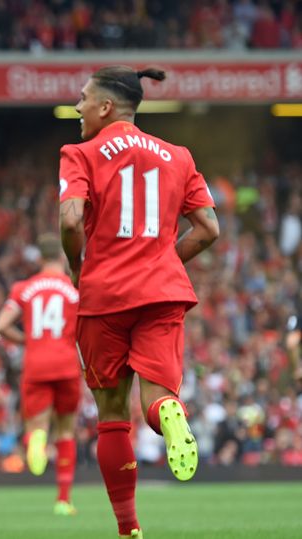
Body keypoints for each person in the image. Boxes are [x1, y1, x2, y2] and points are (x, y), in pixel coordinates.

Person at [59, 65, 220, 538]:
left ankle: (129, 528)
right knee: (159, 395)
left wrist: (76, 267)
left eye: (83, 98)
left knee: (112, 418)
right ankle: (170, 413)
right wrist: (162, 260)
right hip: (163, 292)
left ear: (106, 106)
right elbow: (209, 228)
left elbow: (70, 220)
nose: (77, 106)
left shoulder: (79, 153)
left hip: (104, 295)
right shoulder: (178, 155)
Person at [0, 233, 81, 517]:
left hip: (36, 363)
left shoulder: (25, 288)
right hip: (67, 362)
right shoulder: (74, 288)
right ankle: (63, 500)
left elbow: (1, 324)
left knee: (37, 425)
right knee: (66, 431)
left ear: (40, 258)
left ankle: (36, 439)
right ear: (62, 256)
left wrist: (25, 340)